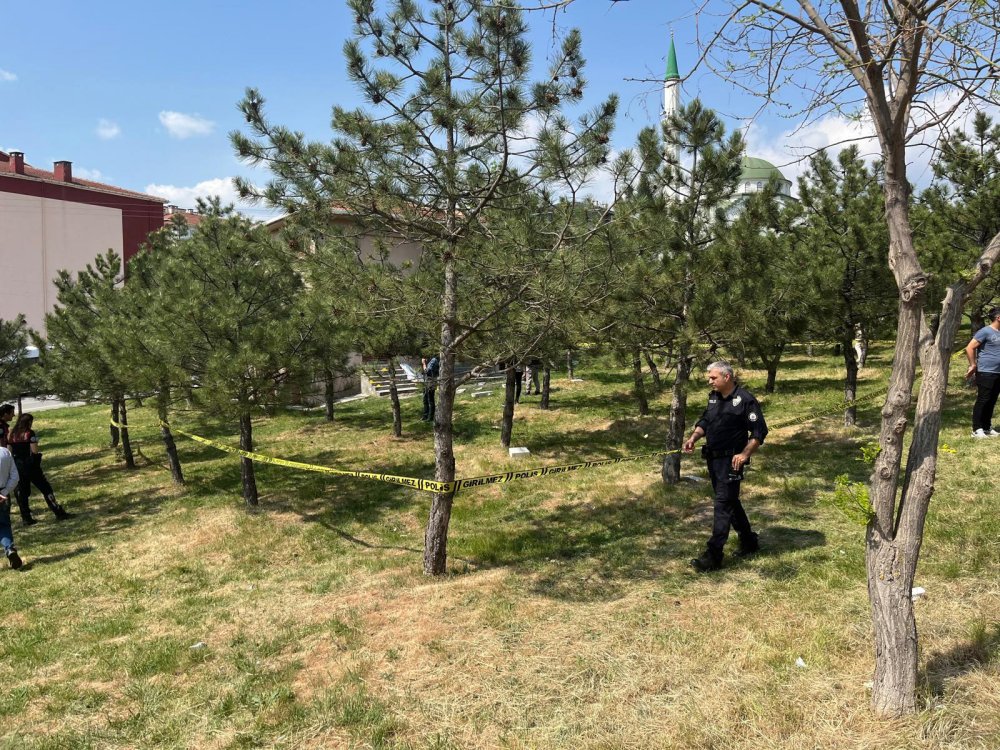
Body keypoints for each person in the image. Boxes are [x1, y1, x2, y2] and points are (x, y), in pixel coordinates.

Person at [683, 361, 768, 572]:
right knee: (730, 501)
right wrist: (694, 437)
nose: (709, 381)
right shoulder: (713, 397)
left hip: (732, 462)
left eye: (713, 377)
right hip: (713, 460)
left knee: (722, 505)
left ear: (726, 377)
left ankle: (713, 556)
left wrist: (744, 454)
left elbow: (759, 432)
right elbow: (705, 420)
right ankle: (749, 541)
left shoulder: (745, 400)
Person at [9, 413, 71, 523]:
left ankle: (26, 518)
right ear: (29, 422)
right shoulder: (29, 433)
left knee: (22, 492)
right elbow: (34, 451)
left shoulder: (12, 434)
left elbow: (9, 450)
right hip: (31, 466)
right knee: (45, 489)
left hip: (18, 466)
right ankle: (58, 512)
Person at [965, 307, 1000, 438]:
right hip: (986, 371)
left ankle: (986, 427)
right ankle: (976, 429)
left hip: (998, 372)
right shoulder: (985, 331)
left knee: (992, 400)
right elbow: (970, 347)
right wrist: (973, 365)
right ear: (998, 318)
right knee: (983, 399)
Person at [0, 440, 23, 569]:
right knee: (3, 523)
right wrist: (4, 492)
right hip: (3, 494)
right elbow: (15, 476)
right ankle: (9, 548)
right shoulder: (5, 452)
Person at [421, 353, 440, 422]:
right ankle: (425, 415)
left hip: (431, 382)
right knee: (425, 399)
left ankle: (431, 417)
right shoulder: (430, 360)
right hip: (426, 381)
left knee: (430, 400)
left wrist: (424, 364)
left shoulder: (434, 360)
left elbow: (427, 371)